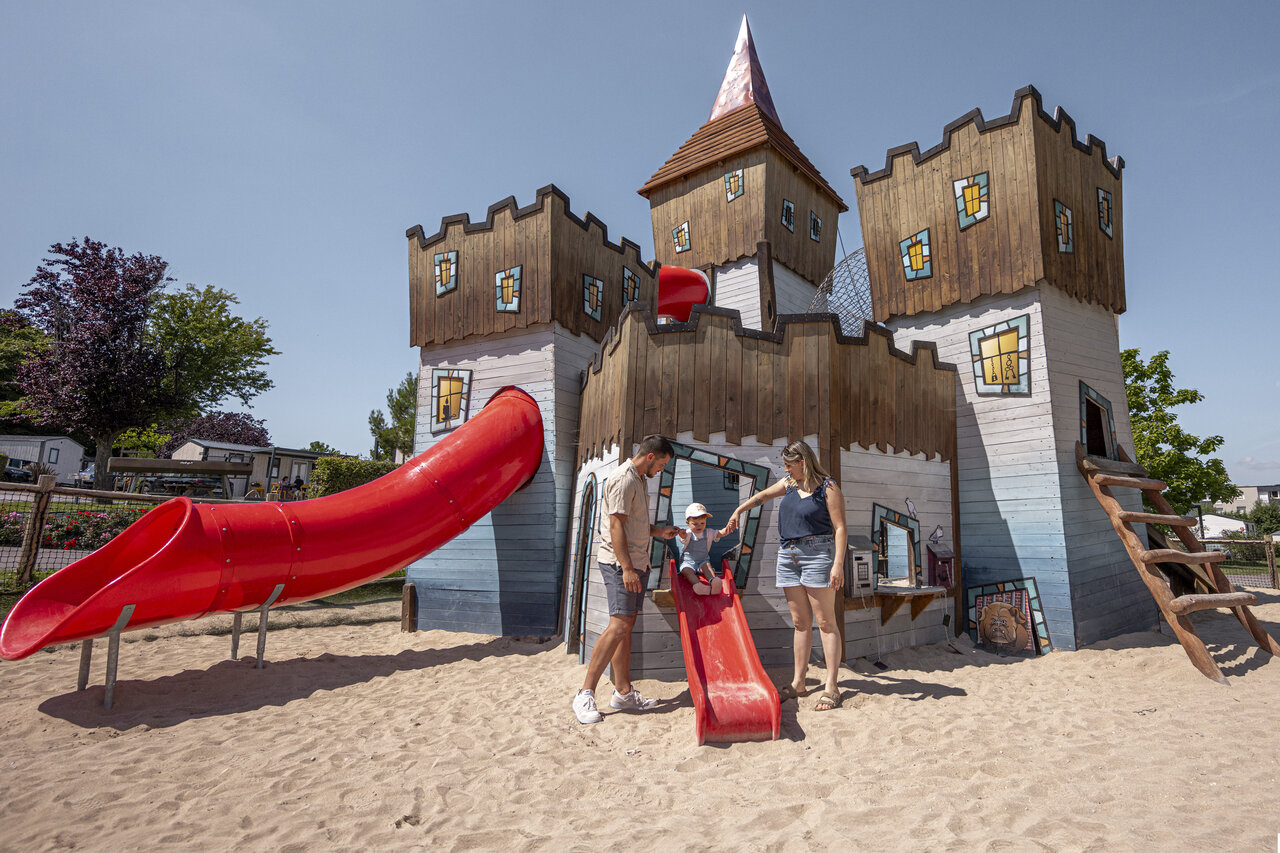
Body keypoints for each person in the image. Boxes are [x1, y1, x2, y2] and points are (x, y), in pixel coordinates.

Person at [727, 440, 847, 711]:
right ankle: (798, 683)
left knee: (825, 622)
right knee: (800, 623)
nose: (785, 470)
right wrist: (739, 510)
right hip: (788, 556)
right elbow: (762, 496)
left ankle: (831, 686)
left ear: (803, 462)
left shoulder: (828, 488)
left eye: (789, 465)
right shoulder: (789, 484)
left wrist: (837, 564)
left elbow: (840, 528)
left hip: (818, 555)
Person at [572, 435, 680, 725]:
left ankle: (623, 692)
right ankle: (584, 693)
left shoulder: (640, 479)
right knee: (619, 625)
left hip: (637, 562)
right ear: (650, 456)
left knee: (625, 627)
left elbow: (634, 522)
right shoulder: (624, 478)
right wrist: (627, 568)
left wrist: (660, 532)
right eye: (662, 464)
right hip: (621, 564)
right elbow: (616, 524)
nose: (662, 469)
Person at [677, 502, 731, 595]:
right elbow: (683, 538)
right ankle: (698, 585)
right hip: (688, 561)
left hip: (703, 560)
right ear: (688, 523)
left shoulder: (709, 532)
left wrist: (728, 529)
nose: (699, 526)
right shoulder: (688, 533)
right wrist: (682, 535)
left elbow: (720, 533)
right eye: (695, 523)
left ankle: (713, 582)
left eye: (702, 523)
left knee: (708, 568)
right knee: (687, 571)